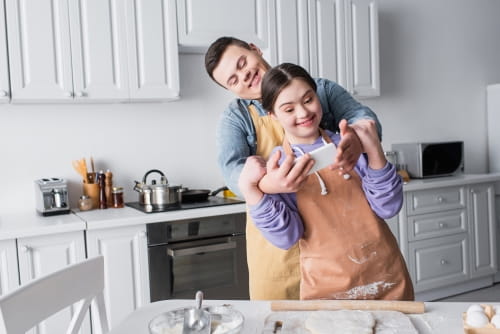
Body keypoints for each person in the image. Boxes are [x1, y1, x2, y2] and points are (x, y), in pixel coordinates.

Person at [205, 36, 383, 300]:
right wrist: (269, 185)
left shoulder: (321, 90)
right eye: (233, 80)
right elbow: (233, 172)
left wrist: (357, 140)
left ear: (255, 49)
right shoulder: (236, 117)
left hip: (336, 233)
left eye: (242, 63)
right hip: (278, 240)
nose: (244, 76)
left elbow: (365, 120)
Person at [239, 63, 414, 300]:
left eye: (308, 99)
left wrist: (373, 149)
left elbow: (389, 207)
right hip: (328, 291)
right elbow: (286, 237)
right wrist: (253, 192)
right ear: (273, 115)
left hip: (385, 279)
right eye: (289, 109)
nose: (303, 113)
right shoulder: (279, 169)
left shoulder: (348, 145)